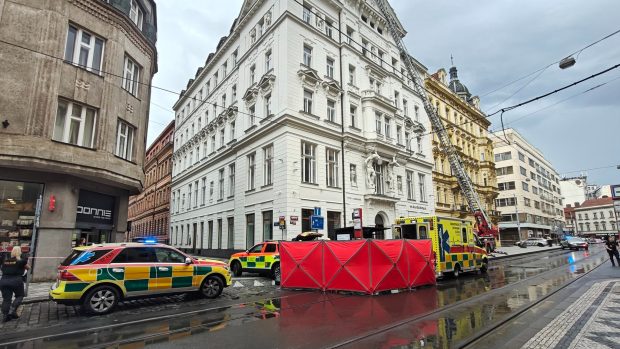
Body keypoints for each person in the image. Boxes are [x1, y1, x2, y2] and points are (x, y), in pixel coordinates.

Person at [0, 246, 30, 322]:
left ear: (12, 252)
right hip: (16, 281)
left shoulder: (5, 261)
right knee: (20, 295)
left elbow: (3, 268)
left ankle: (5, 316)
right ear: (20, 252)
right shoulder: (22, 261)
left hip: (4, 281)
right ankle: (12, 310)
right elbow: (28, 268)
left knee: (6, 299)